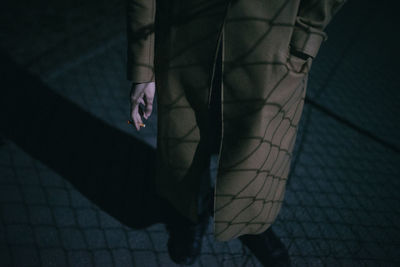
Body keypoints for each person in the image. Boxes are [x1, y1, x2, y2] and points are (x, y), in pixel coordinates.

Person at [126, 0, 345, 265]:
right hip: (182, 39)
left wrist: (304, 37)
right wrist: (143, 66)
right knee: (183, 143)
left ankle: (250, 223)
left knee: (257, 150)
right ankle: (189, 213)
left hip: (271, 44)